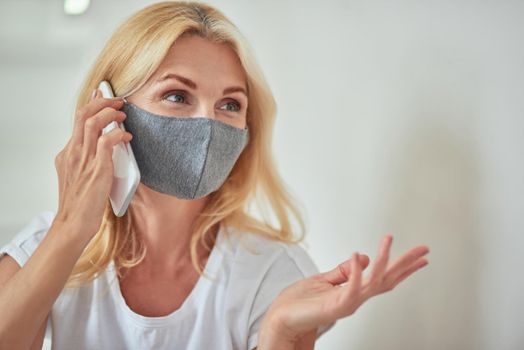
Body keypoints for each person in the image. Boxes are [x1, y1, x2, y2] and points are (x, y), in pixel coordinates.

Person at [0, 1, 430, 349]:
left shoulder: (274, 273)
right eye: (177, 95)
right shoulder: (42, 252)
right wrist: (71, 229)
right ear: (109, 113)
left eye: (229, 105)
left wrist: (279, 332)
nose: (207, 126)